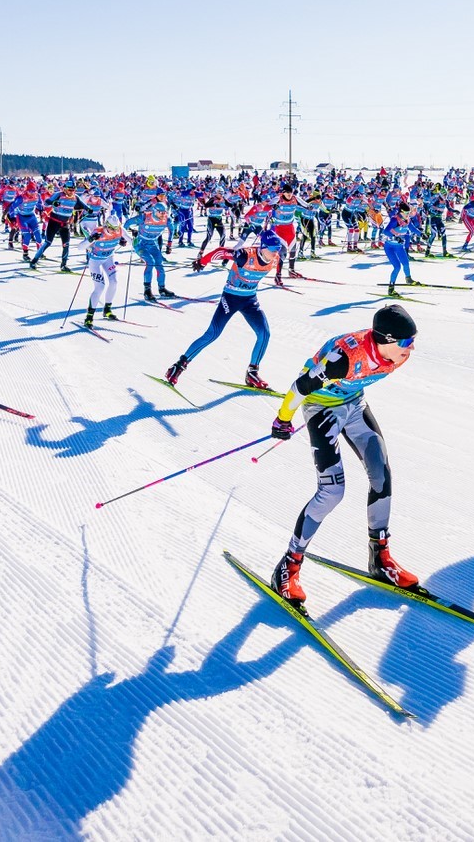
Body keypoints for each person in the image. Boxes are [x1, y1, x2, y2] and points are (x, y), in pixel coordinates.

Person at [263, 305, 422, 605]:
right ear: (385, 340)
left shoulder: (395, 354)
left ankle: (380, 559)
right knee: (332, 491)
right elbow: (301, 386)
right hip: (322, 407)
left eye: (413, 341)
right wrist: (283, 419)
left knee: (382, 476)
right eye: (404, 343)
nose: (410, 349)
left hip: (354, 404)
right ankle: (288, 566)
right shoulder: (343, 359)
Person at [165, 230, 283, 389]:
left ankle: (252, 372)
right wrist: (203, 261)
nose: (276, 252)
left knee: (264, 333)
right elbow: (220, 252)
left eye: (277, 249)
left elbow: (278, 264)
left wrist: (278, 276)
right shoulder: (244, 255)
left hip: (250, 300)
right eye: (273, 249)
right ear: (263, 247)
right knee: (212, 333)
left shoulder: (275, 258)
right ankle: (177, 367)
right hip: (231, 298)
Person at [79, 222, 128, 329]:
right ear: (106, 226)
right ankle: (89, 317)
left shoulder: (119, 230)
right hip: (95, 261)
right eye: (111, 228)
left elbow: (131, 241)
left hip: (109, 259)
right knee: (100, 287)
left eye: (116, 228)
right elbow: (80, 247)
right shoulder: (98, 231)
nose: (114, 231)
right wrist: (90, 239)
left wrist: (131, 237)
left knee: (114, 282)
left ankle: (107, 310)